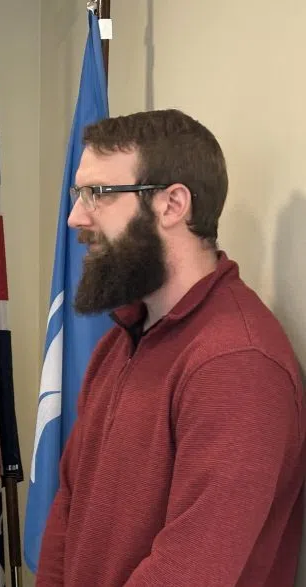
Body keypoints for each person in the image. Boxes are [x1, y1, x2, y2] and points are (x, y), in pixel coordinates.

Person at [35, 109, 305, 586]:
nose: (77, 216)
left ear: (172, 204)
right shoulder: (120, 341)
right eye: (80, 194)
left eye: (97, 194)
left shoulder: (237, 364)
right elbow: (69, 509)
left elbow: (190, 571)